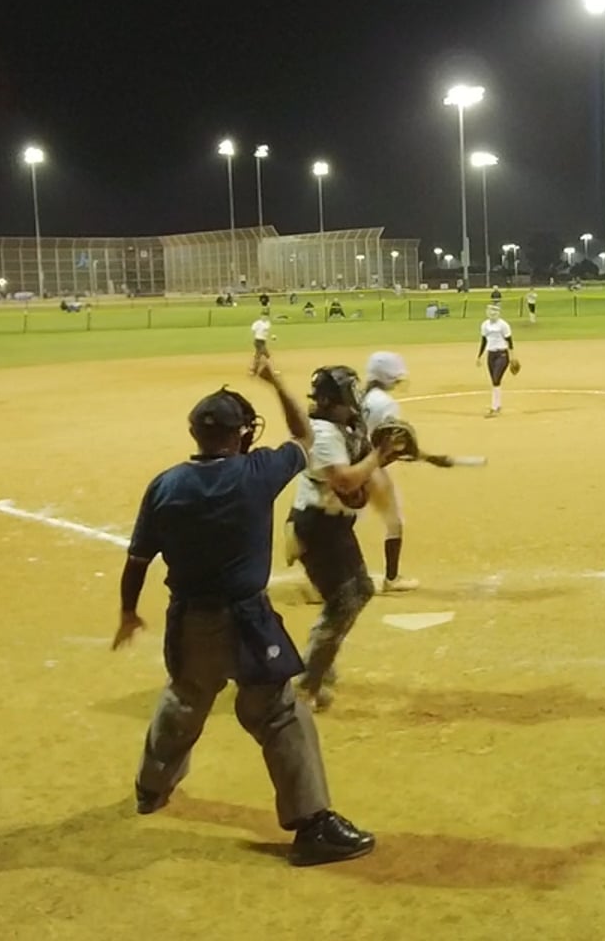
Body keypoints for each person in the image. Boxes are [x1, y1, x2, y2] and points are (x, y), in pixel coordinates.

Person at [112, 360, 376, 867]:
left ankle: (151, 786)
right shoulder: (255, 473)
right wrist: (276, 382)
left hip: (188, 620)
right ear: (239, 435)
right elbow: (303, 436)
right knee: (278, 713)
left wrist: (128, 612)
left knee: (185, 698)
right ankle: (312, 825)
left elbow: (137, 560)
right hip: (246, 622)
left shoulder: (165, 484)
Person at [291, 365, 403, 711]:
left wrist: (388, 454)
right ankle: (308, 682)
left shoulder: (346, 425)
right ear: (330, 400)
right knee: (343, 602)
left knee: (360, 591)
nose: (354, 398)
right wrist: (378, 456)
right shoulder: (323, 434)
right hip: (316, 527)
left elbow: (362, 466)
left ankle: (316, 664)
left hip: (335, 525)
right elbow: (345, 480)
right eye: (347, 393)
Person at [360, 352, 418, 594]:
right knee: (394, 521)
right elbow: (392, 444)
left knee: (341, 522)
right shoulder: (386, 404)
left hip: (350, 463)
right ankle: (391, 578)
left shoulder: (360, 397)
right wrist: (414, 453)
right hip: (372, 469)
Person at [477, 304, 516, 416]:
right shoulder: (484, 325)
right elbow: (484, 341)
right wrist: (479, 356)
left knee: (496, 379)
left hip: (502, 354)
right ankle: (497, 405)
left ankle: (494, 408)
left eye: (494, 310)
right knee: (495, 381)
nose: (492, 313)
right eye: (490, 310)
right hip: (491, 354)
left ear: (498, 313)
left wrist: (512, 357)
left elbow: (510, 341)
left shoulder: (503, 325)